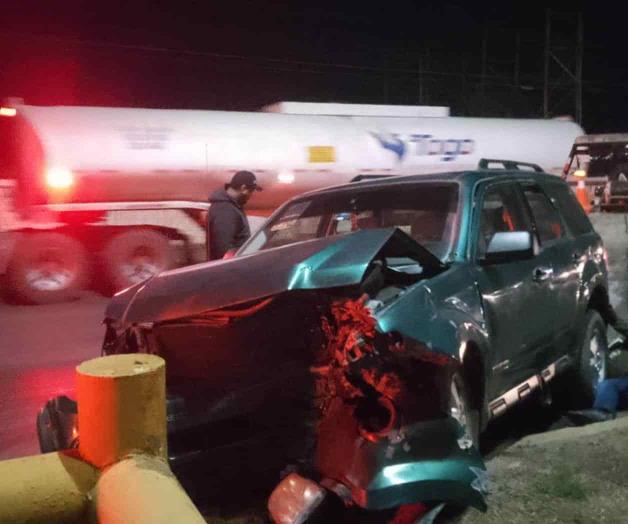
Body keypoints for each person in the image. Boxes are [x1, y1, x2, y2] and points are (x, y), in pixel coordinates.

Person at [207, 170, 262, 260]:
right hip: (228, 270)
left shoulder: (232, 207)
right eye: (251, 191)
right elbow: (224, 250)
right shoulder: (225, 210)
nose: (251, 195)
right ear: (243, 188)